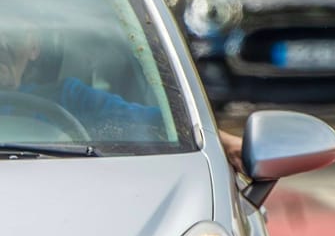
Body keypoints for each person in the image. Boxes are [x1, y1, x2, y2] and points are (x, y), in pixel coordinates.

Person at [0, 22, 242, 166]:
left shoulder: (70, 99)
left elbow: (158, 123)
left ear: (34, 48)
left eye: (10, 31)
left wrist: (222, 141)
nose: (1, 43)